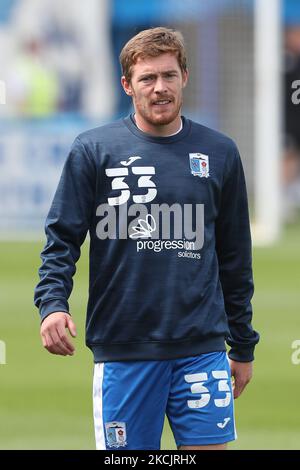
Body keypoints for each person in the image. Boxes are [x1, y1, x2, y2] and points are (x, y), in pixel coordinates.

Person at [34, 27, 259, 451]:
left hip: (202, 350)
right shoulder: (94, 150)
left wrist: (242, 345)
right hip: (124, 350)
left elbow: (235, 258)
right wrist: (52, 306)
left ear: (185, 77)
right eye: (147, 78)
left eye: (169, 76)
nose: (160, 88)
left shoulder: (220, 153)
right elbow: (61, 239)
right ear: (127, 85)